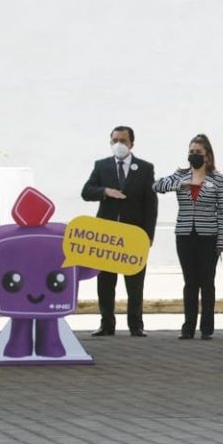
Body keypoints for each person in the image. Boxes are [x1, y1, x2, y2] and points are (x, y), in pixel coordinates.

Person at [81, 125, 158, 337]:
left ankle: (136, 324)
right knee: (106, 282)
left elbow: (151, 205)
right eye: (115, 140)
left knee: (134, 283)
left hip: (133, 235)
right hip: (107, 235)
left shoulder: (144, 168)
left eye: (123, 141)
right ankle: (107, 323)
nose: (119, 144)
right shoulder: (102, 166)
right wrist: (105, 191)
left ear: (132, 143)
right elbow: (86, 192)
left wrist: (148, 236)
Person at [153, 134, 223, 340]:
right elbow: (157, 185)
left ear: (208, 156)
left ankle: (207, 328)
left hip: (208, 235)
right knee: (190, 281)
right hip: (185, 234)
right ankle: (188, 327)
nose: (194, 156)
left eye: (198, 153)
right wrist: (180, 185)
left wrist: (222, 241)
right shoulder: (180, 176)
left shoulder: (219, 179)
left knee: (207, 281)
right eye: (191, 152)